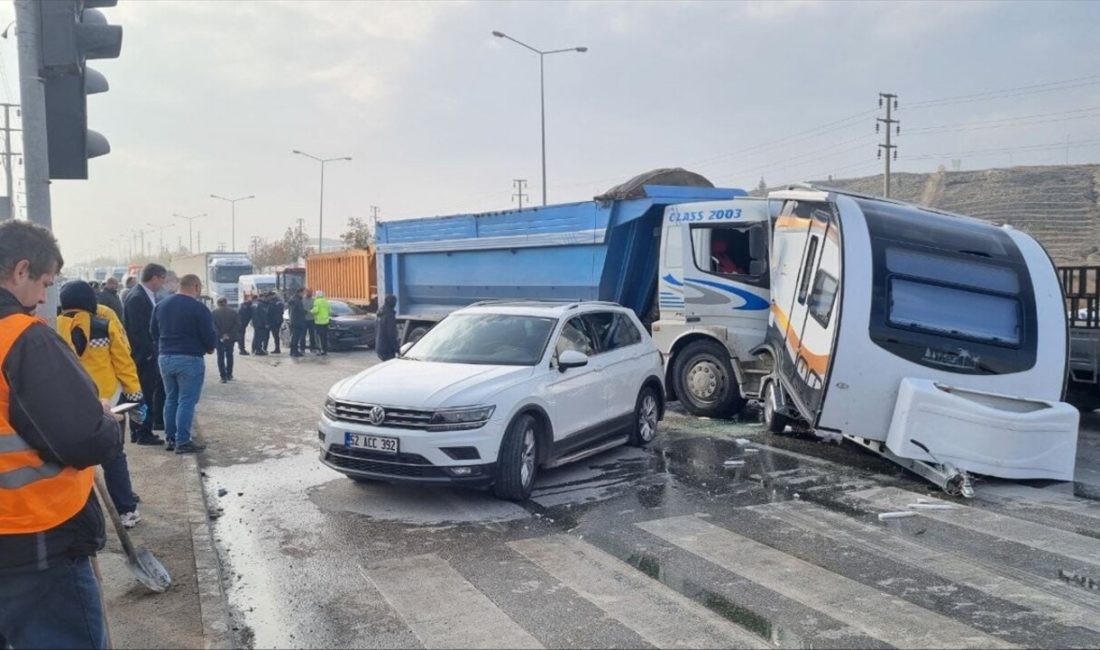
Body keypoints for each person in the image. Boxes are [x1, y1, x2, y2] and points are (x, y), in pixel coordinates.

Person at [0, 220, 122, 649]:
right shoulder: (23, 339)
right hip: (33, 544)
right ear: (21, 271)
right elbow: (84, 440)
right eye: (44, 283)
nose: (42, 298)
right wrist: (105, 418)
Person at [57, 280, 147, 528]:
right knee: (114, 456)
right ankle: (126, 509)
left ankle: (74, 515)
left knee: (73, 461)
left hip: (69, 404)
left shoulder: (52, 325)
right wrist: (135, 393)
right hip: (110, 402)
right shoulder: (104, 322)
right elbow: (122, 360)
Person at [152, 273, 216, 453]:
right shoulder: (199, 308)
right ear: (196, 287)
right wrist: (210, 347)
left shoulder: (161, 305)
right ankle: (183, 441)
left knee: (171, 399)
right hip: (189, 358)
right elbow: (209, 335)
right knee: (186, 401)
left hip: (165, 357)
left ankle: (170, 438)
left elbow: (153, 332)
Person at [124, 263, 167, 446]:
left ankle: (139, 430)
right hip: (143, 356)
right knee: (144, 395)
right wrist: (148, 354)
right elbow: (137, 331)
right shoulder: (137, 298)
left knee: (141, 395)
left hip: (145, 354)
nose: (163, 284)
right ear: (155, 277)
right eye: (162, 279)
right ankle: (142, 432)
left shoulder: (143, 295)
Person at [212, 296, 240, 383]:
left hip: (219, 338)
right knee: (230, 355)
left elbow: (213, 326)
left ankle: (223, 376)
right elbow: (237, 324)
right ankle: (229, 374)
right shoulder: (233, 312)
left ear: (217, 303)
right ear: (226, 302)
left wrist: (221, 335)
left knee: (220, 357)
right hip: (230, 338)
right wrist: (229, 334)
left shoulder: (214, 312)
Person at [375, 293, 399, 362]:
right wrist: (397, 348)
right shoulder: (389, 315)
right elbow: (391, 334)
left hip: (380, 347)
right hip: (387, 349)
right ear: (392, 303)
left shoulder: (379, 313)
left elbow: (376, 330)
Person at [288, 287, 307, 357]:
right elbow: (301, 311)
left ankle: (293, 351)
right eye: (303, 293)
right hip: (298, 321)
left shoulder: (293, 299)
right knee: (296, 337)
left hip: (294, 320)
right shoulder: (297, 300)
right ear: (300, 292)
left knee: (294, 337)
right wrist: (306, 312)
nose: (304, 294)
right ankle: (294, 351)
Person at [311, 289, 331, 356]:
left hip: (319, 322)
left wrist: (310, 311)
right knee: (324, 337)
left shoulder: (316, 301)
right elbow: (329, 310)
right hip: (326, 321)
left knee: (319, 337)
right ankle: (325, 350)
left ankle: (320, 350)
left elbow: (316, 310)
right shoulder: (326, 301)